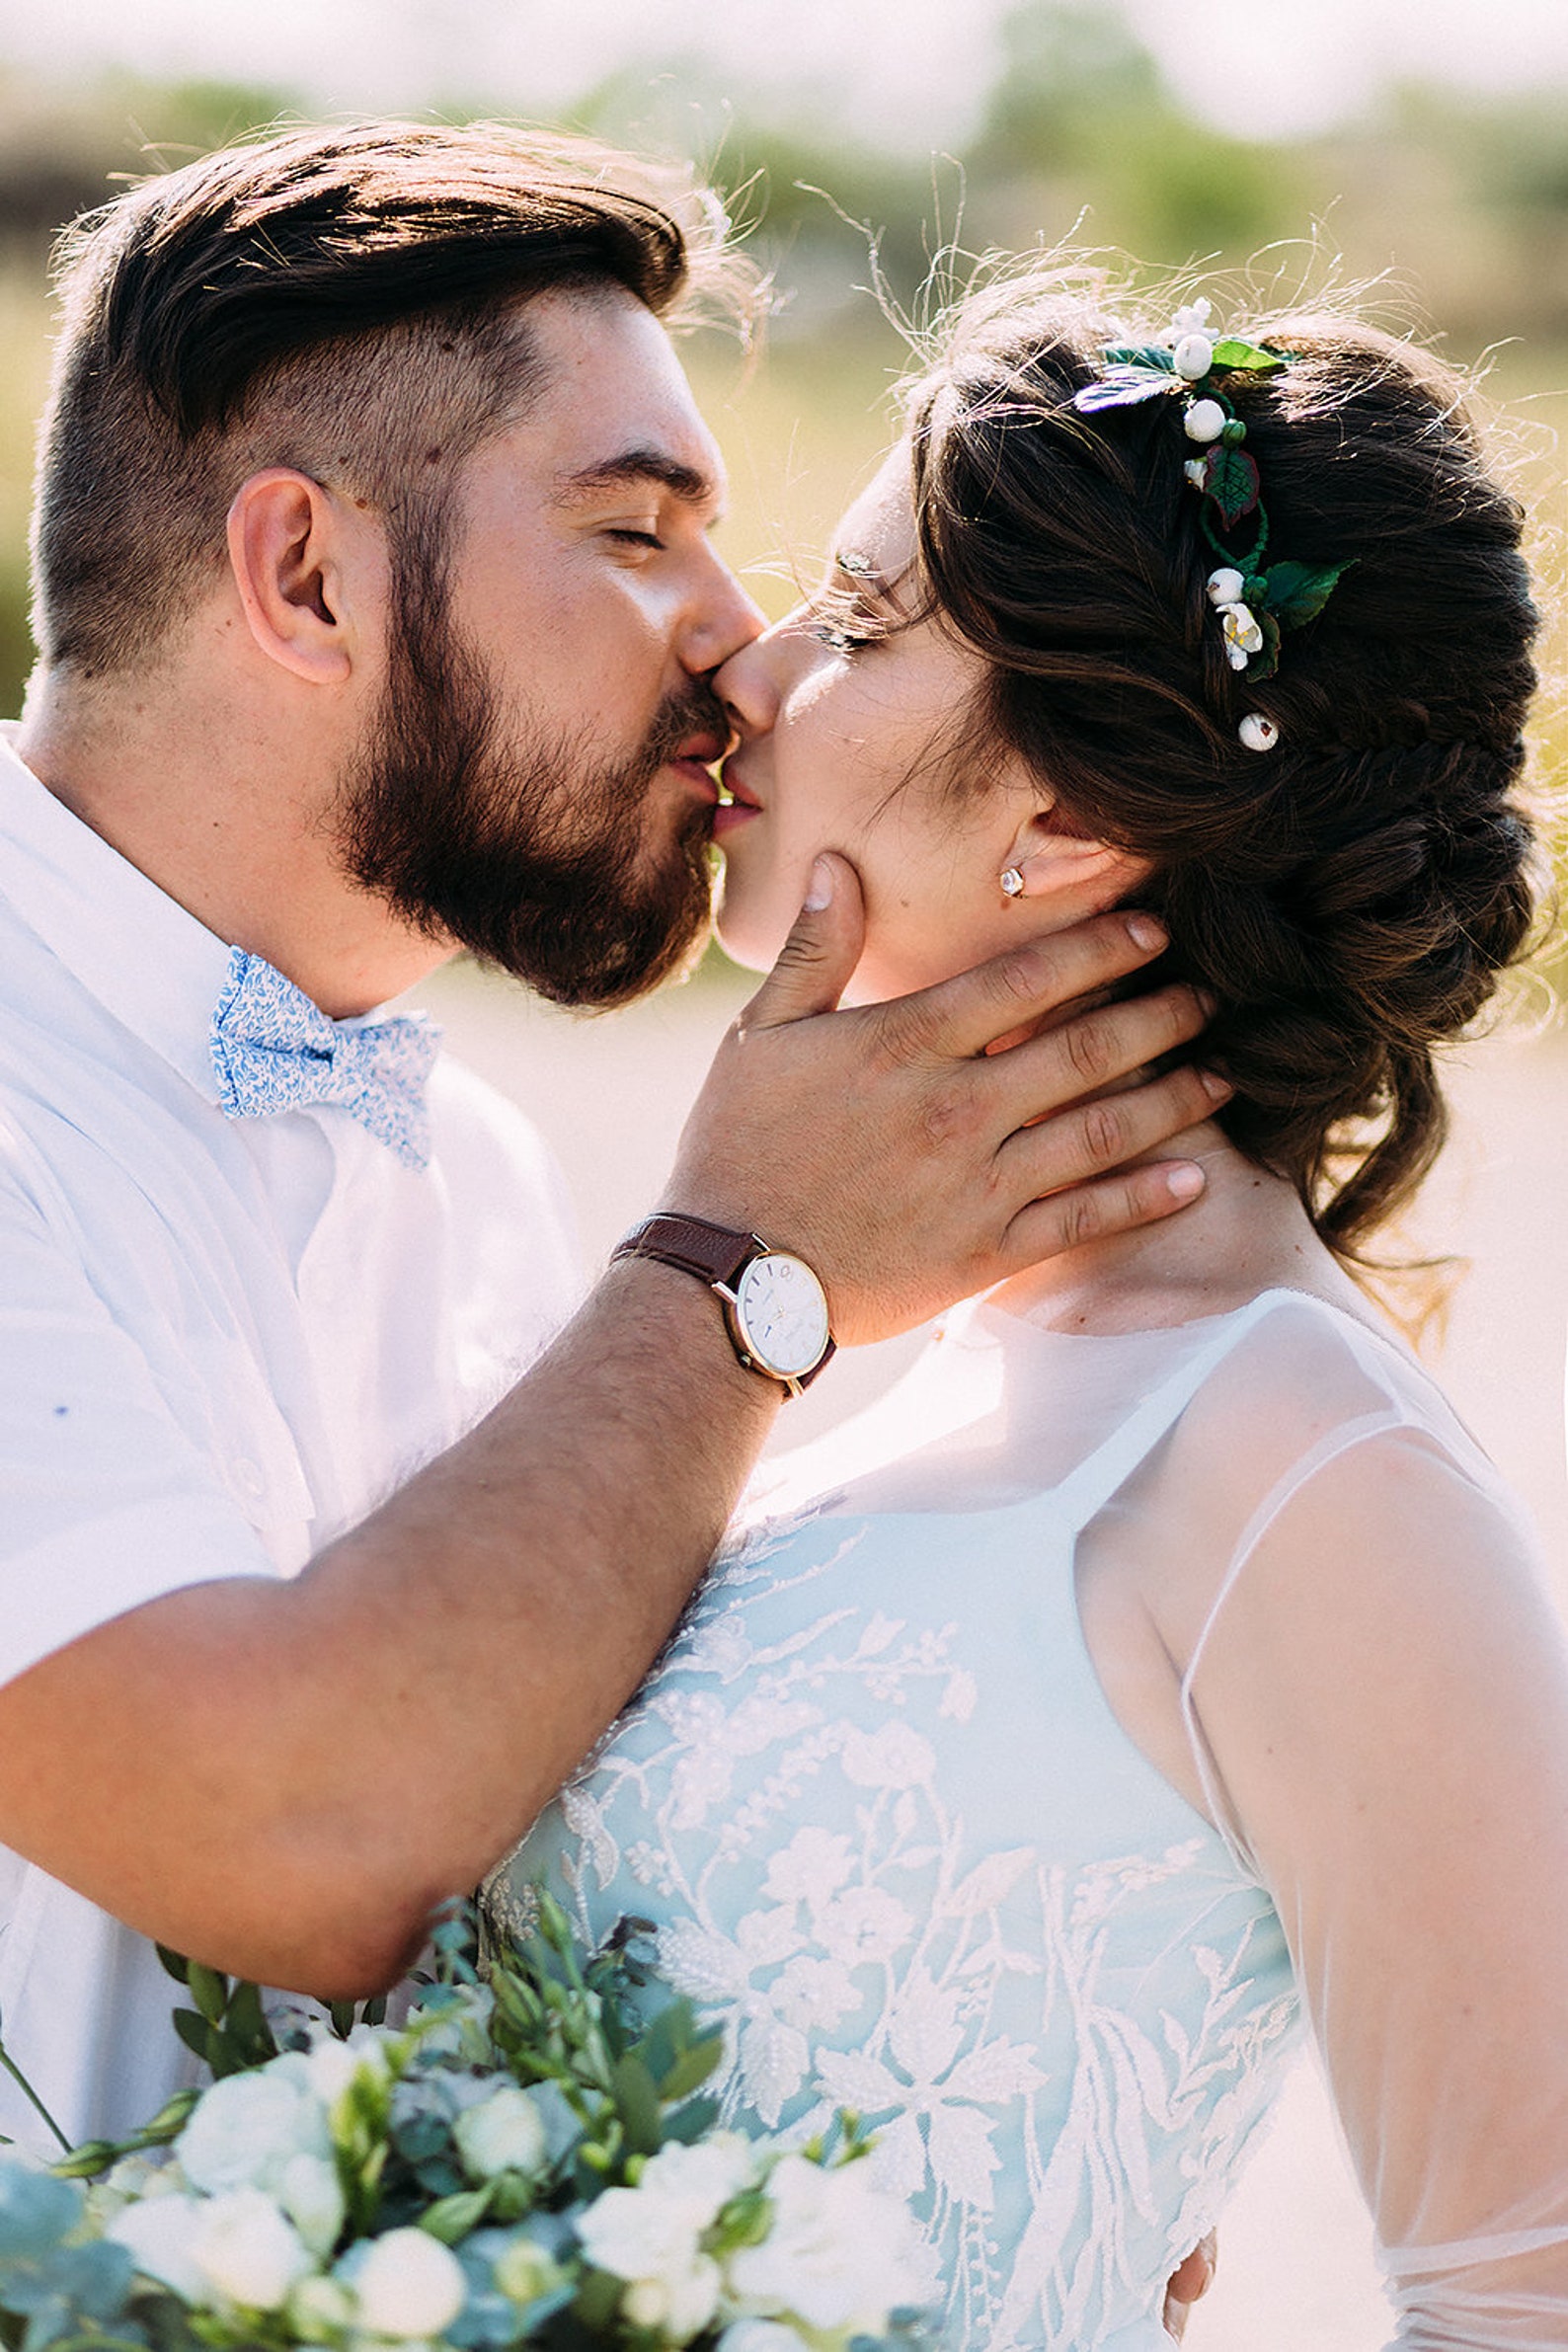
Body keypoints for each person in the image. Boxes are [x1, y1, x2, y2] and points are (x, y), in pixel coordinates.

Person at [0, 125, 1228, 2156]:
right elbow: (291, 1837)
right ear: (304, 574)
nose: (735, 650)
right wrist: (749, 1266)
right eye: (635, 530)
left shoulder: (467, 1171)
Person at [495, 272, 1568, 2347]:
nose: (753, 662)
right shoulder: (928, 1359)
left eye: (867, 622)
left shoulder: (1310, 1470)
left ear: (1070, 817)